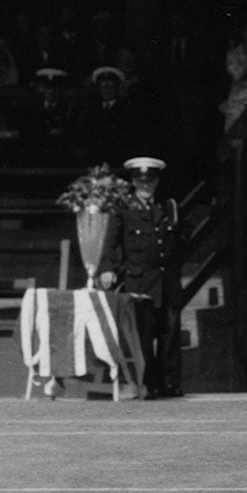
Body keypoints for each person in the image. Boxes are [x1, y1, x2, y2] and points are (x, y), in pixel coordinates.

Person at [99, 157, 180, 398]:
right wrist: (107, 267)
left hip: (165, 282)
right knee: (143, 337)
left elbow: (175, 243)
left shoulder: (167, 206)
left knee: (169, 335)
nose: (146, 186)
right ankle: (146, 384)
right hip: (140, 280)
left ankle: (169, 383)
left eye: (150, 181)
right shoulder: (123, 207)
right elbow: (110, 241)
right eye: (141, 181)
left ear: (156, 181)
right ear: (134, 181)